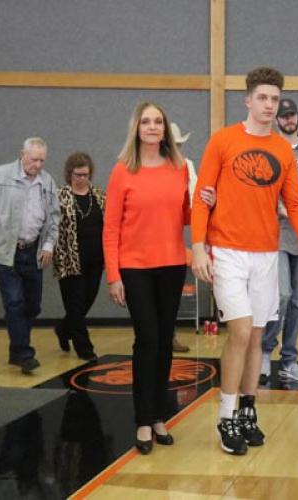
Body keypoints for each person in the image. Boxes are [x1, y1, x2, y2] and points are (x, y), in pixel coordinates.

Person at [191, 67, 298, 455]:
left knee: (258, 337)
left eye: (274, 99)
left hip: (267, 253)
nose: (269, 105)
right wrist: (198, 245)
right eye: (262, 98)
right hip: (228, 251)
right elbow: (202, 196)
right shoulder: (223, 140)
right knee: (242, 332)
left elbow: (295, 205)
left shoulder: (283, 149)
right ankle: (226, 415)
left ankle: (248, 408)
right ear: (248, 100)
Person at [103, 101, 189, 455]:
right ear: (136, 128)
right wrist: (113, 276)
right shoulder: (122, 171)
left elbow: (186, 214)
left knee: (165, 340)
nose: (152, 127)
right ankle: (142, 418)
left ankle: (158, 415)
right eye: (146, 122)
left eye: (158, 122)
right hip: (135, 267)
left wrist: (205, 200)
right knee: (148, 339)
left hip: (172, 264)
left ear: (165, 129)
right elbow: (110, 228)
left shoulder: (179, 168)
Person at [261, 98, 298, 383]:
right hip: (276, 234)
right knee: (282, 295)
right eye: (283, 116)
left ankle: (289, 360)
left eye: (291, 115)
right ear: (277, 120)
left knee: (297, 301)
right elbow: (264, 190)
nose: (288, 120)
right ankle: (264, 350)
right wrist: (283, 209)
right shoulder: (271, 147)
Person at [0, 137, 60, 374]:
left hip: (33, 253)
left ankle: (16, 351)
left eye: (42, 160)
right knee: (14, 303)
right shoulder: (2, 177)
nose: (38, 165)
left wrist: (49, 246)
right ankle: (24, 354)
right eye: (34, 159)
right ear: (21, 154)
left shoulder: (47, 182)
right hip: (6, 253)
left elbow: (54, 218)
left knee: (32, 307)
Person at [53, 152, 105, 361]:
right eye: (78, 175)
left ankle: (63, 329)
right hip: (69, 261)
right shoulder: (60, 196)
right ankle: (85, 349)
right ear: (69, 174)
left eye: (85, 174)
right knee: (75, 304)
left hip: (96, 260)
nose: (82, 179)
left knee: (85, 303)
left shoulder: (100, 197)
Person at [170, 122, 215, 353]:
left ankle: (170, 335)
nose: (175, 148)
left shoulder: (186, 166)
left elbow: (198, 196)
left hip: (174, 236)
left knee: (172, 293)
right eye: (172, 144)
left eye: (178, 144)